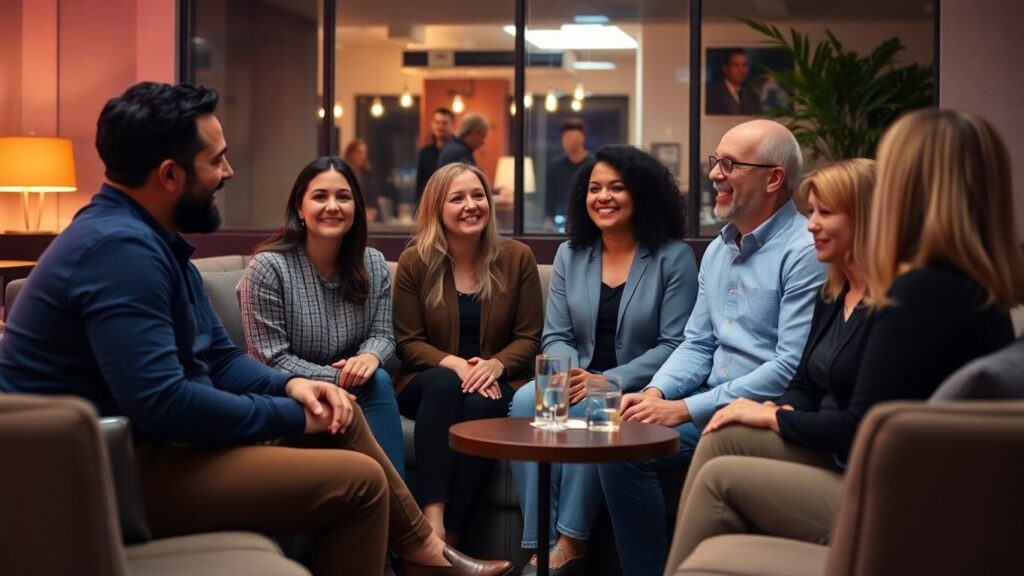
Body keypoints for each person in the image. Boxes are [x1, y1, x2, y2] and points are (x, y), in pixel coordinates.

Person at [0, 82, 511, 576]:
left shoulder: (155, 243)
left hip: (147, 449)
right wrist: (290, 416)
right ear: (170, 175)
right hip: (103, 474)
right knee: (361, 483)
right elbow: (164, 404)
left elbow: (221, 359)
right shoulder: (120, 252)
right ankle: (426, 552)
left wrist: (294, 385)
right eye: (216, 159)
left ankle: (424, 551)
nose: (229, 170)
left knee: (341, 411)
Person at [663, 109, 1024, 570]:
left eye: (891, 171)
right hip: (878, 467)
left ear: (909, 187)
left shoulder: (921, 293)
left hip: (899, 494)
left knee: (719, 475)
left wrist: (771, 416)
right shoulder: (942, 285)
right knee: (723, 438)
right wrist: (775, 410)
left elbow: (863, 428)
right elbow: (813, 387)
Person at [596, 119, 826, 576]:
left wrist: (684, 410)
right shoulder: (719, 249)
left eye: (729, 164)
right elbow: (697, 343)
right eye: (713, 162)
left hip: (763, 414)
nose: (714, 174)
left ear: (773, 178)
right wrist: (658, 394)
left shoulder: (805, 250)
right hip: (705, 403)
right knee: (618, 440)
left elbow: (788, 366)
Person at [510, 145, 699, 575]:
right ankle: (540, 544)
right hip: (576, 375)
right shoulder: (570, 255)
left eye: (617, 187)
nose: (604, 197)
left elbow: (675, 344)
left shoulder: (673, 257)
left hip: (635, 388)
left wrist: (606, 381)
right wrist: (569, 375)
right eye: (594, 188)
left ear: (642, 195)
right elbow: (556, 335)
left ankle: (572, 542)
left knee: (597, 414)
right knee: (525, 402)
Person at [393, 162, 544, 545]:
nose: (471, 205)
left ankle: (453, 537)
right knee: (446, 385)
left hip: (496, 380)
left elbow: (529, 338)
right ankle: (434, 520)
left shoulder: (517, 257)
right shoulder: (415, 262)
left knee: (480, 405)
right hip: (428, 381)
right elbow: (408, 342)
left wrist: (494, 364)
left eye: (478, 195)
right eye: (456, 198)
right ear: (437, 209)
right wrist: (456, 364)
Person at [238, 155, 405, 477]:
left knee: (378, 378)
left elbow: (383, 334)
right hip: (284, 391)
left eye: (343, 197)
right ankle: (402, 515)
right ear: (300, 209)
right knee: (374, 384)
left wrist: (370, 357)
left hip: (355, 388)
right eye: (320, 196)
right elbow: (270, 358)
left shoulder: (372, 263)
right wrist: (340, 380)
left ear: (356, 208)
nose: (333, 206)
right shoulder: (269, 267)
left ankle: (394, 509)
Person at [544, 119, 594, 231]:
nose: (567, 141)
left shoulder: (594, 164)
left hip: (588, 221)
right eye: (565, 138)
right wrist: (548, 217)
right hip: (560, 222)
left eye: (571, 137)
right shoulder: (555, 165)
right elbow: (549, 194)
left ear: (582, 138)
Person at [706, 49, 763, 116]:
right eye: (736, 65)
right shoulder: (713, 95)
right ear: (725, 68)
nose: (741, 70)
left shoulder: (752, 96)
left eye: (744, 65)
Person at [417, 107, 456, 201]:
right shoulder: (425, 152)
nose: (440, 126)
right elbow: (420, 184)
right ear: (432, 125)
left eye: (444, 123)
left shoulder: (458, 152)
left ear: (452, 125)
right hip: (429, 203)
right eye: (437, 122)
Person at [343, 138, 380, 222]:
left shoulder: (366, 174)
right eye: (359, 152)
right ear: (350, 153)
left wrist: (372, 211)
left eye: (364, 153)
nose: (362, 156)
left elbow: (373, 196)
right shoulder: (344, 173)